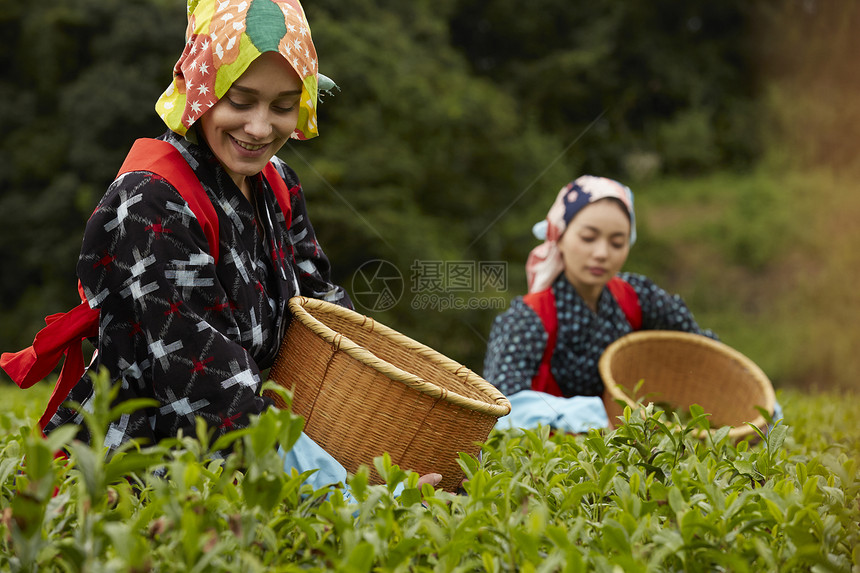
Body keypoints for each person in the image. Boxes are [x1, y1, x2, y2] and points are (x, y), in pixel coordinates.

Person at [2, 0, 440, 491]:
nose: (259, 128)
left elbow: (327, 318)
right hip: (151, 461)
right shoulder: (153, 201)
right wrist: (340, 490)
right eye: (240, 100)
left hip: (267, 439)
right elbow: (203, 383)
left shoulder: (278, 184)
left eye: (282, 106)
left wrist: (379, 424)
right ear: (201, 89)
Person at [483, 175, 722, 432]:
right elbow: (499, 405)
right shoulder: (528, 319)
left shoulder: (638, 297)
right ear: (559, 237)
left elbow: (701, 351)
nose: (602, 253)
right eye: (588, 238)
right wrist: (588, 417)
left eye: (617, 242)